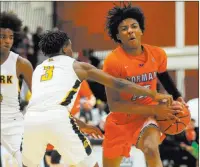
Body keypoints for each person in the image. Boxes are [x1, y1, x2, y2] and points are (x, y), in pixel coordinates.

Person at [22, 30, 176, 167]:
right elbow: (118, 83)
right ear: (65, 48)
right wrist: (153, 94)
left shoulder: (39, 70)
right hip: (58, 120)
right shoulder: (77, 66)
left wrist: (82, 125)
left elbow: (46, 107)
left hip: (29, 121)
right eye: (70, 46)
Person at [102, 4, 185, 167]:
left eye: (134, 26)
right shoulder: (113, 62)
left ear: (141, 30)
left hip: (146, 116)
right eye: (124, 29)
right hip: (120, 120)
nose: (130, 31)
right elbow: (114, 105)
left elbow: (164, 76)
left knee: (151, 150)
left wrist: (178, 97)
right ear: (118, 36)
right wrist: (155, 109)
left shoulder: (157, 54)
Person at [0, 11, 33, 167]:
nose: (7, 41)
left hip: (11, 122)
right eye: (3, 37)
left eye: (11, 37)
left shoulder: (21, 64)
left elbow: (38, 95)